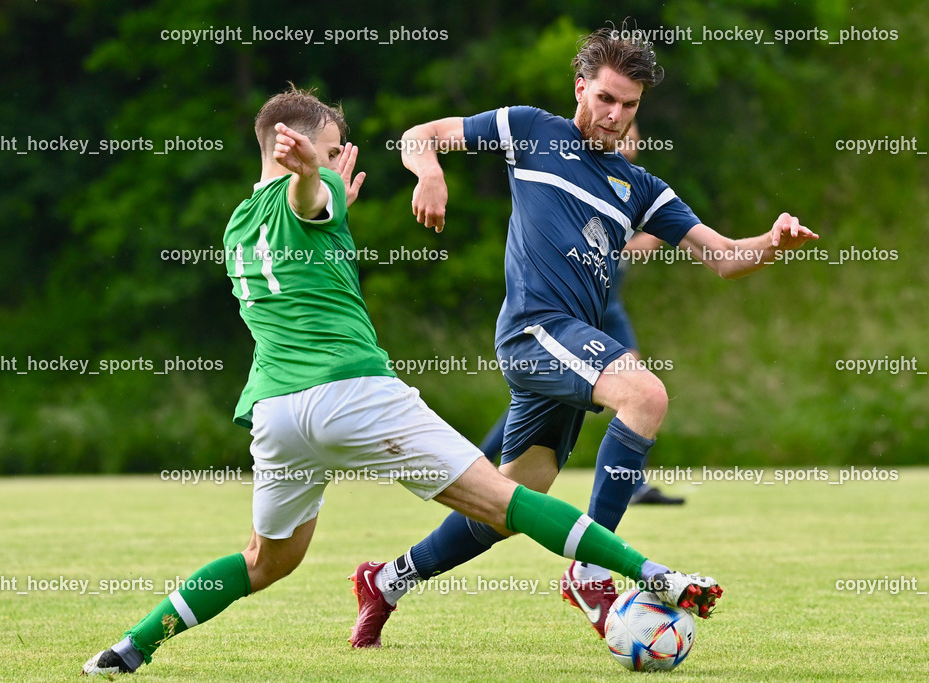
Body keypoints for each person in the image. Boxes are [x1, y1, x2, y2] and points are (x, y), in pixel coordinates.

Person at [80, 86, 721, 675]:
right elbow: (309, 198)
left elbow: (306, 224)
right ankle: (650, 572)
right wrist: (315, 179)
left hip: (276, 414)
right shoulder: (309, 194)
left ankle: (130, 647)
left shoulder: (238, 225)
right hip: (353, 395)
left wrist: (323, 190)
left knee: (264, 562)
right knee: (505, 502)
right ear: (297, 146)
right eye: (334, 150)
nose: (340, 163)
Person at [349, 26, 817, 647]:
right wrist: (428, 173)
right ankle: (593, 569)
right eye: (605, 98)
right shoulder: (531, 129)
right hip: (535, 330)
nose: (614, 115)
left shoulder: (643, 189)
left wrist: (772, 244)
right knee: (645, 396)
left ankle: (386, 581)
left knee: (511, 504)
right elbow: (419, 135)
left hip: (569, 344)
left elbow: (726, 257)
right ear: (582, 88)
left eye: (628, 105)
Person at [477, 122, 682, 507]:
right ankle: (482, 461)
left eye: (636, 131)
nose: (630, 139)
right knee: (577, 390)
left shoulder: (634, 186)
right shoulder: (575, 168)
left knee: (641, 389)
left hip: (609, 309)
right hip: (567, 313)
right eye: (629, 135)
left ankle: (633, 483)